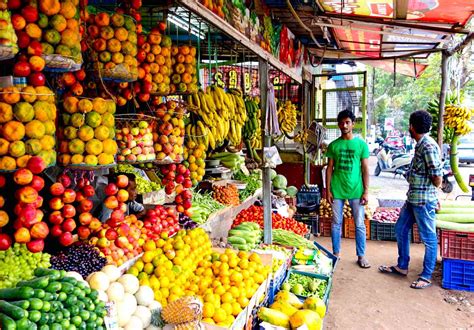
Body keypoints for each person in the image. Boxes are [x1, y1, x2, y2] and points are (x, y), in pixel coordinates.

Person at [379, 110, 442, 289]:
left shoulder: (428, 146)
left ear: (412, 126)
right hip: (413, 199)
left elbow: (437, 177)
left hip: (423, 201)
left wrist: (432, 194)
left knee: (429, 239)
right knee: (400, 229)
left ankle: (426, 276)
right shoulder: (420, 144)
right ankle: (402, 266)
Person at [326, 109, 370, 268]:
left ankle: (361, 255)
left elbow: (365, 169)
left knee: (359, 224)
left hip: (356, 190)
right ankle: (335, 254)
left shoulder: (361, 145)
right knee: (336, 223)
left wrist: (366, 191)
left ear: (353, 123)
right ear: (338, 124)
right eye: (342, 122)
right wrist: (328, 190)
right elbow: (329, 168)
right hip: (337, 190)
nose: (344, 125)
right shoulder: (333, 145)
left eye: (347, 122)